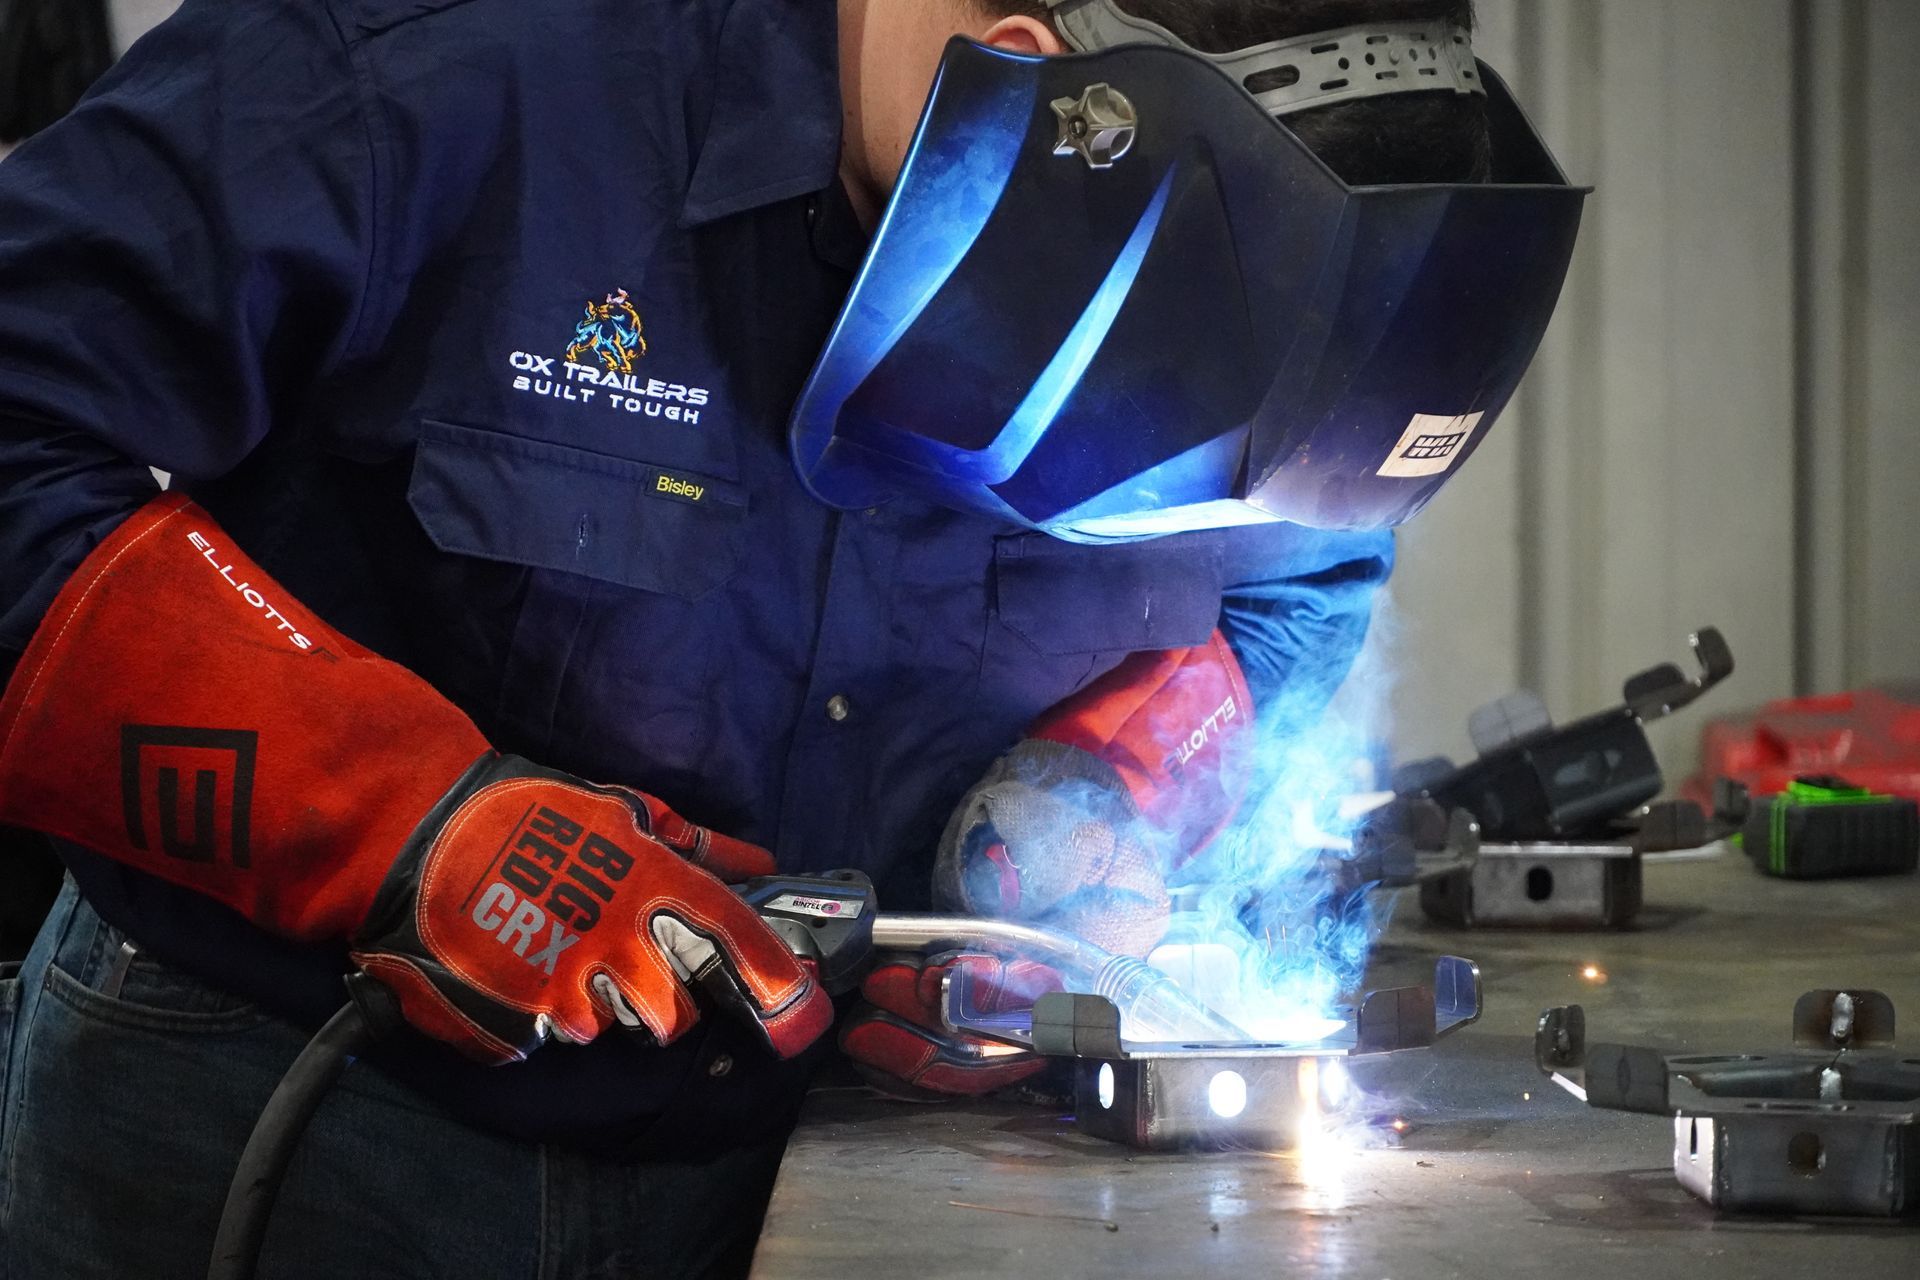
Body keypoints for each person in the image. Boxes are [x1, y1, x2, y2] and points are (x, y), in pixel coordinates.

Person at [0, 0, 1576, 1275]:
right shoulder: (447, 67)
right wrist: (392, 820)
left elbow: (1298, 585)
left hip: (826, 1169)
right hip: (295, 1114)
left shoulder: (1285, 278)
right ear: (1027, 85)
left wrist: (1111, 786)